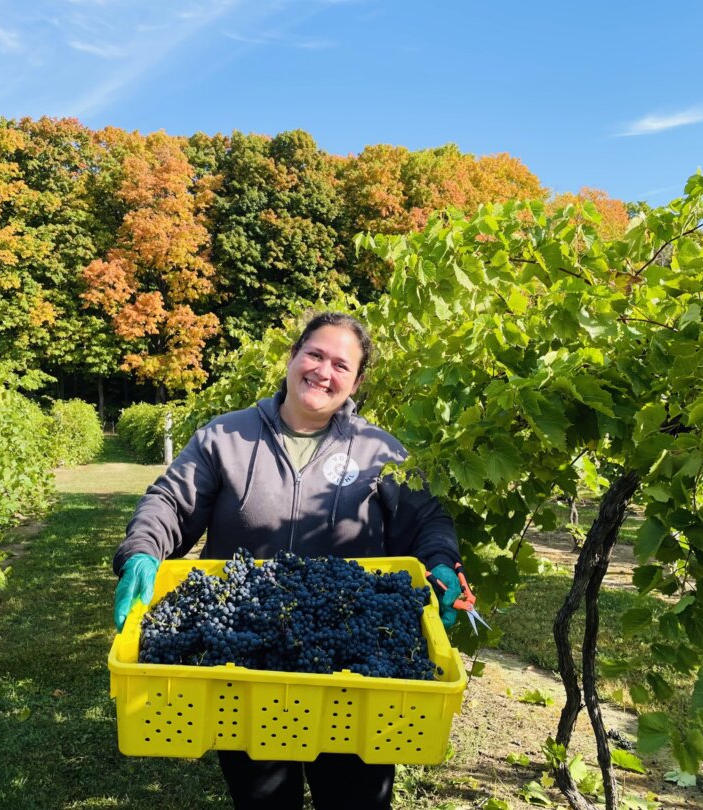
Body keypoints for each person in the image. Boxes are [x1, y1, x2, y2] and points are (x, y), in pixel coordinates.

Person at [112, 311, 464, 810]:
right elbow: (169, 502)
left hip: (353, 673)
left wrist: (442, 562)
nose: (324, 371)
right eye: (315, 354)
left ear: (357, 381)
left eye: (341, 364)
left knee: (356, 798)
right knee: (261, 799)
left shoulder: (379, 451)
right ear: (293, 357)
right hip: (247, 662)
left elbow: (427, 519)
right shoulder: (224, 438)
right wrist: (143, 551)